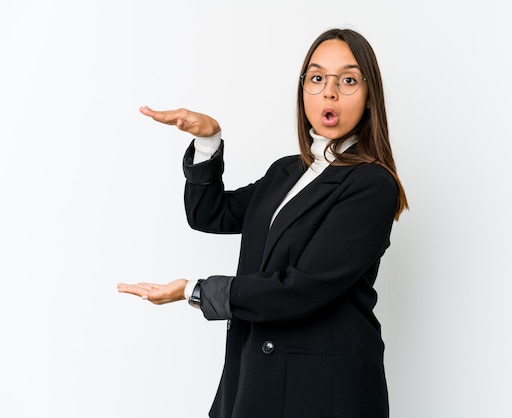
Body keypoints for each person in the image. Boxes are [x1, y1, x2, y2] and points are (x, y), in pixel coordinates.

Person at [118, 28, 408, 418]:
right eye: (317, 78)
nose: (330, 92)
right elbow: (210, 214)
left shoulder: (373, 185)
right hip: (256, 377)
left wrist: (197, 291)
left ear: (371, 96)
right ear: (303, 89)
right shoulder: (287, 172)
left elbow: (302, 288)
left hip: (324, 391)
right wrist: (209, 142)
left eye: (349, 80)